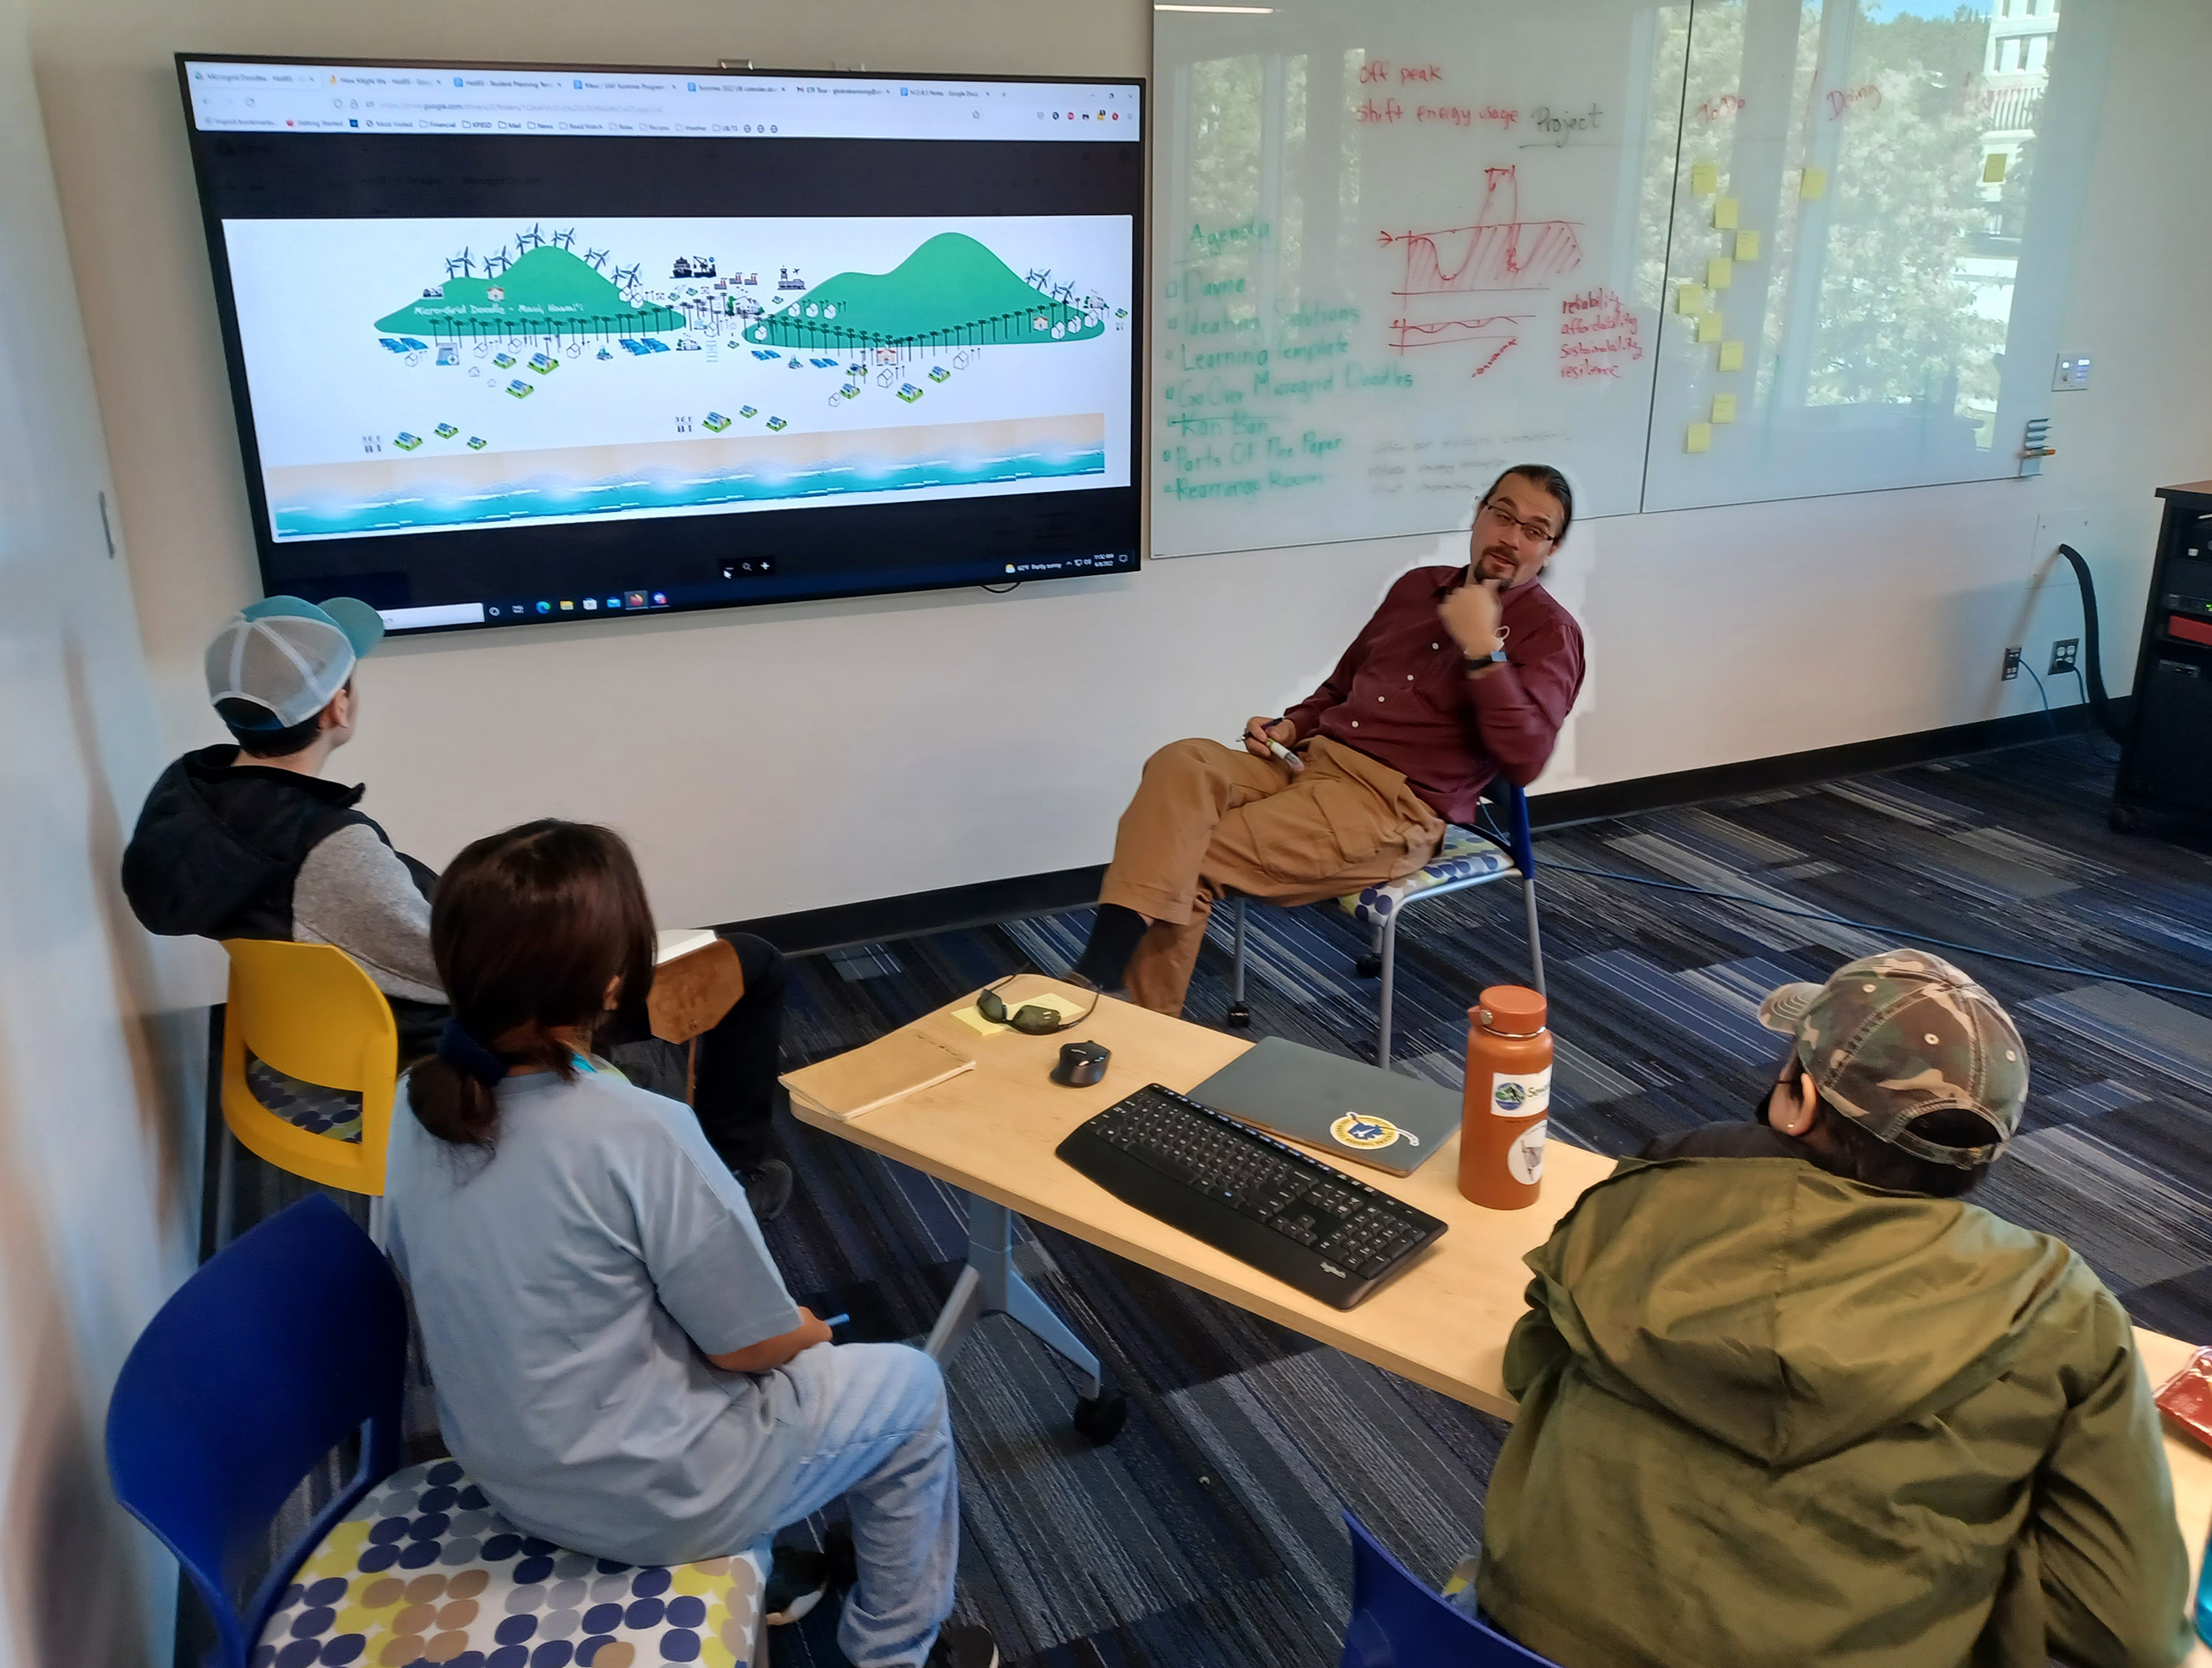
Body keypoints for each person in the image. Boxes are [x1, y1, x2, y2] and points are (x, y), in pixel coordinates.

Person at [383, 819, 996, 1668]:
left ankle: (771, 1566)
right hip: (649, 1497)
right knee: (911, 1388)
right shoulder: (643, 1130)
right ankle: (893, 1649)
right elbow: (749, 1344)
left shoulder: (413, 1108)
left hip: (505, 1471)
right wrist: (812, 1330)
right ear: (612, 986)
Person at [1473, 949, 2192, 1668]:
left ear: (1800, 1101)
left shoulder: (1636, 1203)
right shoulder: (2058, 1305)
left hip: (1506, 1645)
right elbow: (2128, 1631)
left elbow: (1525, 1365)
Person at [119, 595, 795, 1217]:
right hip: (462, 1033)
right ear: (336, 708)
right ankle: (733, 1176)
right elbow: (464, 973)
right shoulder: (329, 849)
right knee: (753, 964)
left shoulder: (195, 800)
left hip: (314, 1037)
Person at [1068, 464, 1585, 1016]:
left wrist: (1484, 650)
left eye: (1534, 529)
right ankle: (1101, 979)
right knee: (1181, 762)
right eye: (1503, 515)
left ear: (1551, 549)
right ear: (1479, 512)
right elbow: (1341, 685)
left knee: (1186, 857)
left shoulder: (1548, 633)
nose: (1511, 537)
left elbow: (1525, 758)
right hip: (1312, 760)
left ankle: (1125, 1024)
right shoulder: (1418, 587)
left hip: (1393, 806)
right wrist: (1292, 724)